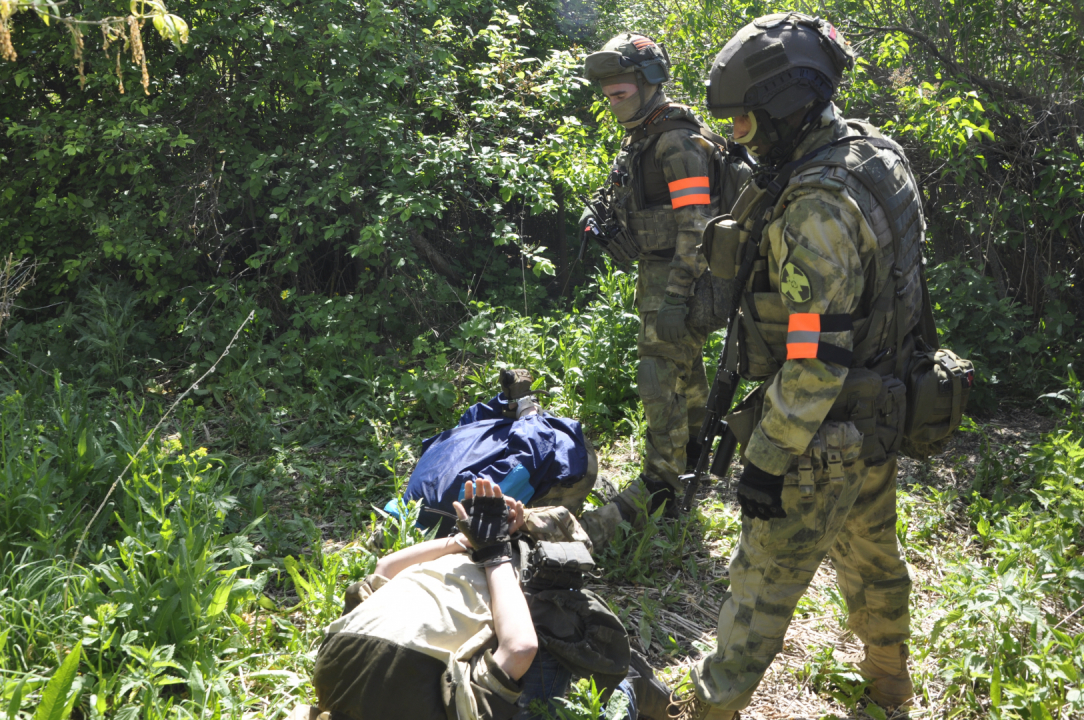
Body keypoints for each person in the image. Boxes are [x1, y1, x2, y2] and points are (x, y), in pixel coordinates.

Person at [670, 13, 925, 719]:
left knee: (758, 588)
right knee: (874, 561)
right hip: (879, 409)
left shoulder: (815, 206)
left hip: (822, 432)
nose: (734, 139)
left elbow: (815, 359)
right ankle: (890, 685)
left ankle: (712, 708)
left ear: (787, 109)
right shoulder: (873, 154)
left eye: (745, 124)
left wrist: (768, 458)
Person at [290, 479, 673, 720]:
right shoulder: (328, 668)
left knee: (594, 688)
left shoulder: (424, 706)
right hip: (487, 567)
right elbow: (386, 567)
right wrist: (472, 542)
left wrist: (491, 550)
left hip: (513, 583)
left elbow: (519, 649)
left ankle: (636, 691)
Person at [577, 33, 751, 542]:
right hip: (660, 274)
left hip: (682, 279)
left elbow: (696, 225)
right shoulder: (646, 136)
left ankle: (660, 484)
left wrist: (677, 295)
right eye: (607, 94)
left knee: (657, 377)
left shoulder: (675, 142)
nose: (613, 102)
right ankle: (691, 453)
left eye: (621, 92)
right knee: (684, 370)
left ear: (650, 83)